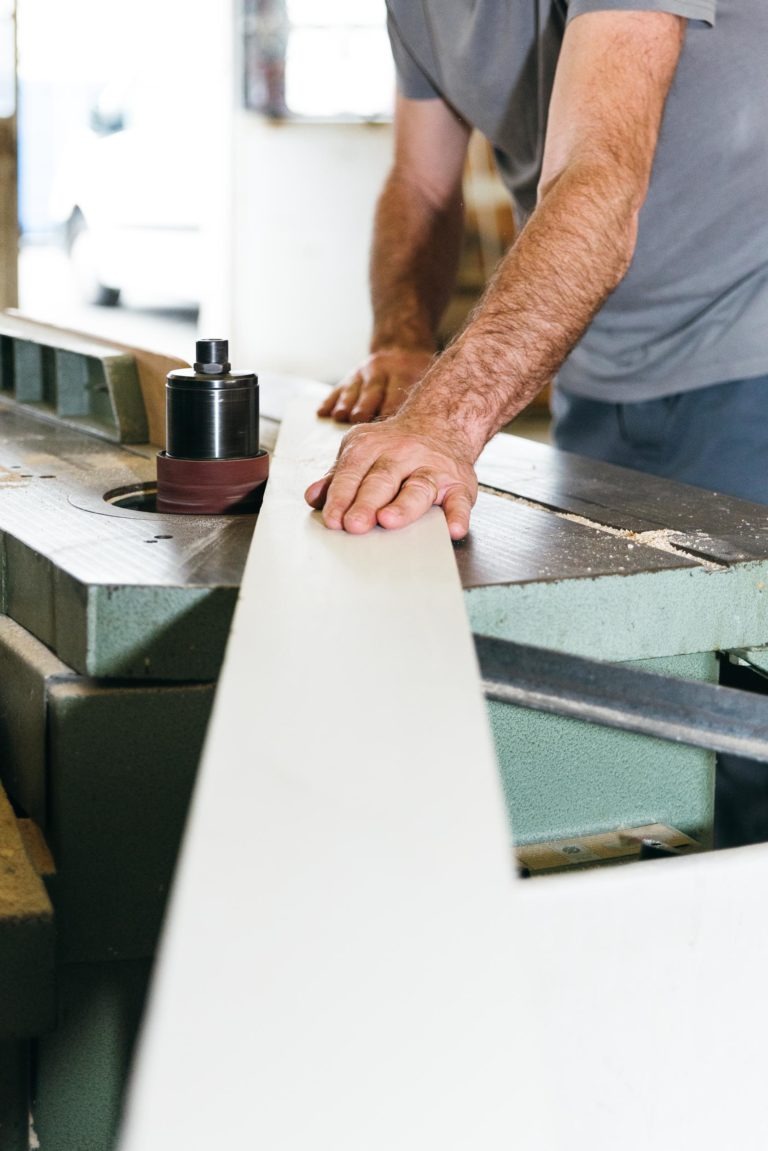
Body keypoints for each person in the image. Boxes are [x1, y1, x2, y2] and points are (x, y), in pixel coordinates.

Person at [304, 0, 768, 545]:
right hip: (592, 370)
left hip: (746, 357)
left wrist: (443, 421)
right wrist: (401, 343)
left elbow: (599, 181)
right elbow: (421, 186)